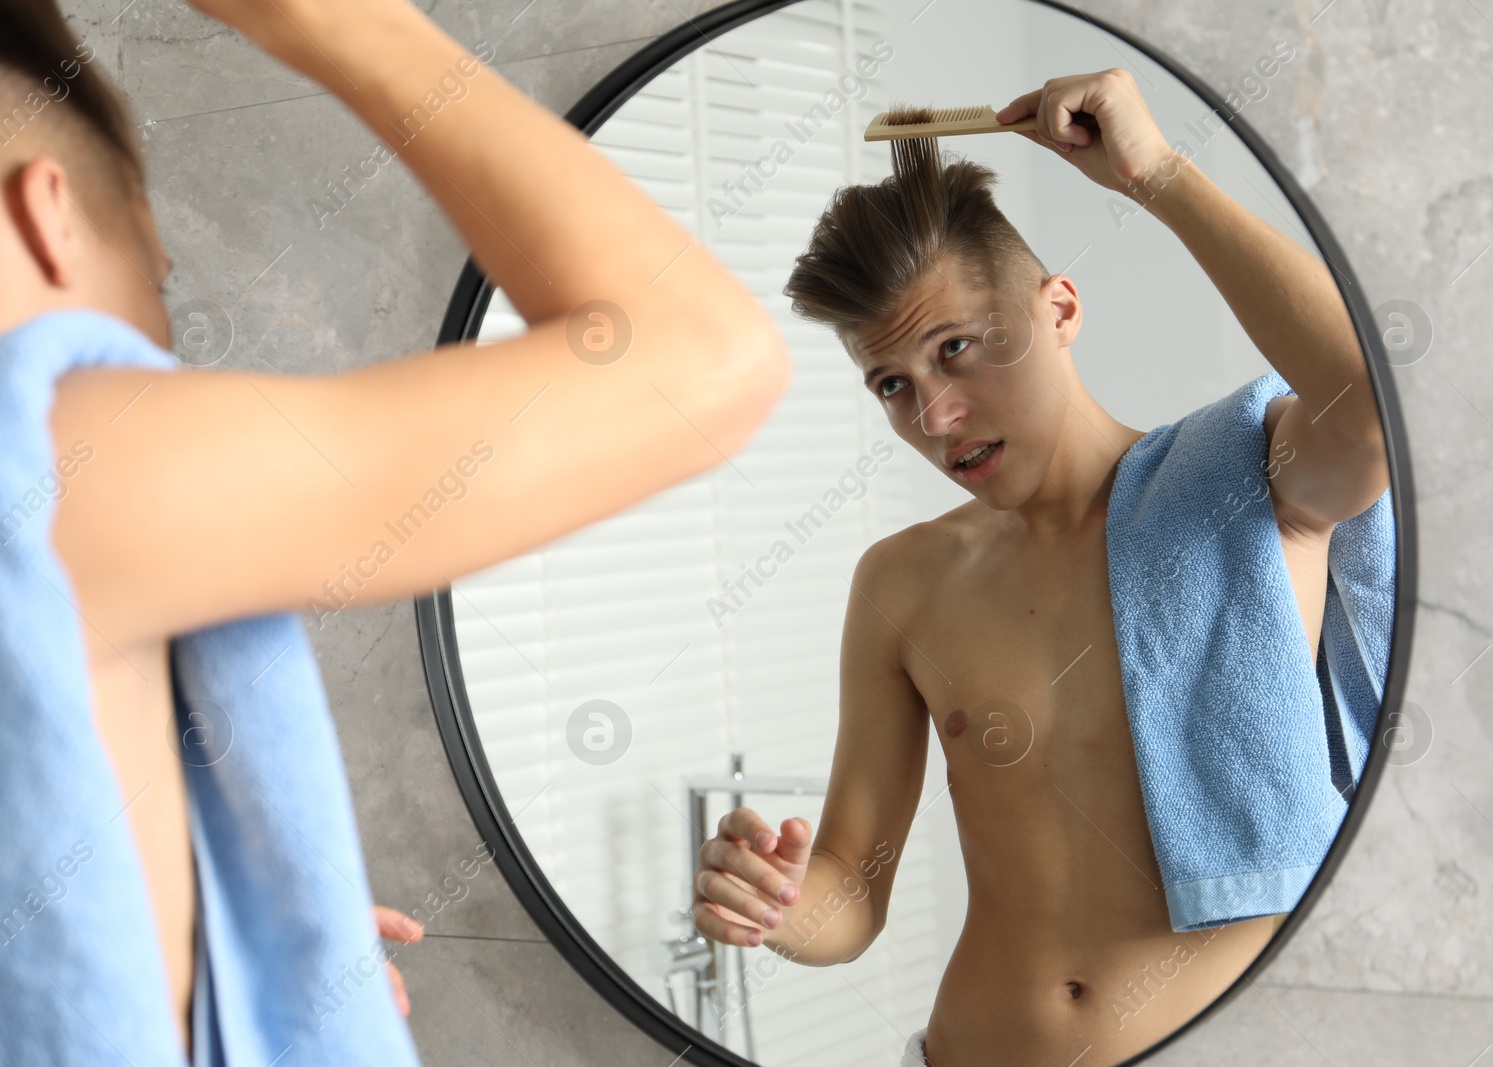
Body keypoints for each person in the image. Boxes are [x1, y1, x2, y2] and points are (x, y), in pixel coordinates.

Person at [0, 0, 789, 1061]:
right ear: (48, 216)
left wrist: (239, 937)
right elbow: (702, 356)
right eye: (157, 280)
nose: (165, 342)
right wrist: (342, 23)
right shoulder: (59, 460)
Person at [690, 72, 1389, 1067]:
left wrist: (1157, 177)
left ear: (1058, 307)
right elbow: (853, 884)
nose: (932, 417)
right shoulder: (904, 583)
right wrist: (781, 903)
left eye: (957, 349)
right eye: (893, 383)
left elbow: (1372, 405)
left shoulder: (1242, 486)